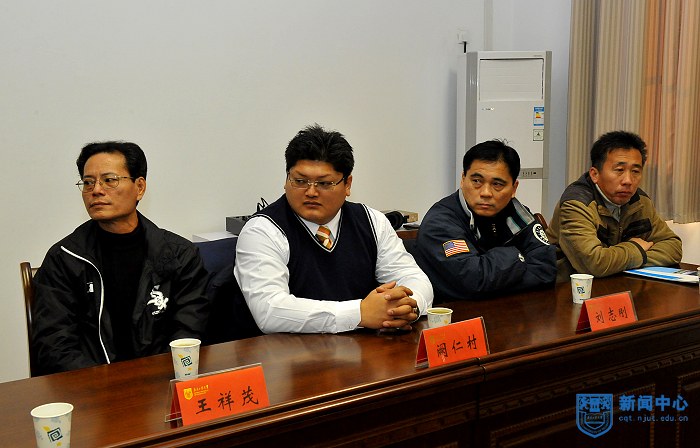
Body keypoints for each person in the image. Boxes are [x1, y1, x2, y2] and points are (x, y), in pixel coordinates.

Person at [234, 124, 433, 334]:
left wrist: (405, 308)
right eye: (300, 181)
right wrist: (360, 313)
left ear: (347, 184)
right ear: (286, 180)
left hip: (361, 348)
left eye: (324, 183)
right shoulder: (262, 231)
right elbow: (270, 311)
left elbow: (414, 278)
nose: (311, 192)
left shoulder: (372, 222)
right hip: (282, 352)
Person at [32, 141, 210, 374]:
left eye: (109, 180)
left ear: (140, 187)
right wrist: (109, 386)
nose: (96, 190)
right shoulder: (64, 259)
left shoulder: (180, 255)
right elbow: (53, 345)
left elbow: (189, 332)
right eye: (88, 182)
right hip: (91, 387)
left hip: (160, 382)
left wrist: (155, 381)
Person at [412, 140, 556, 303]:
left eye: (497, 184)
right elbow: (473, 281)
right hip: (451, 314)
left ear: (514, 188)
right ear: (463, 180)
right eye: (476, 181)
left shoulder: (519, 215)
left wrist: (492, 279)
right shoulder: (440, 222)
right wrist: (517, 256)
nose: (486, 193)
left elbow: (546, 272)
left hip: (507, 311)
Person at [546, 131, 682, 282]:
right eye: (619, 170)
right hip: (569, 289)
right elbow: (594, 264)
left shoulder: (640, 201)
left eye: (635, 171)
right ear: (595, 174)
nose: (628, 180)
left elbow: (673, 247)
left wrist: (625, 259)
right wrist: (635, 249)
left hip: (619, 283)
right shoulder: (576, 204)